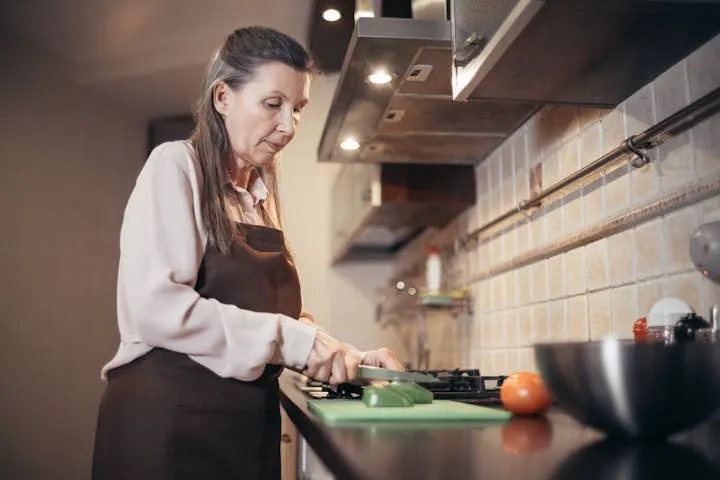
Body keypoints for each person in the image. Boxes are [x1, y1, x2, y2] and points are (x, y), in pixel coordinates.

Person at [92, 26, 403, 480]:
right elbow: (155, 309)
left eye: (298, 109)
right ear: (222, 97)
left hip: (242, 426)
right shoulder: (175, 165)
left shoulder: (257, 197)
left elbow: (271, 319)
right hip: (169, 425)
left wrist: (345, 354)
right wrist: (296, 341)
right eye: (273, 104)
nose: (289, 126)